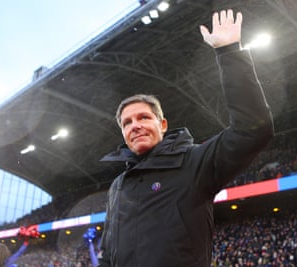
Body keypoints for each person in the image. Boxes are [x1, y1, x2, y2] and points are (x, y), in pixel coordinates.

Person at [98, 7, 274, 267]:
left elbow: (253, 129)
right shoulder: (118, 186)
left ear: (163, 124)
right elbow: (108, 252)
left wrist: (228, 52)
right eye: (127, 123)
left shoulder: (193, 162)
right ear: (123, 133)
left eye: (143, 117)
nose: (135, 125)